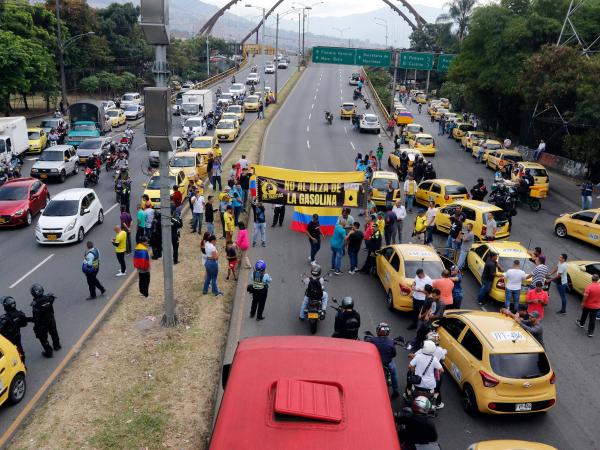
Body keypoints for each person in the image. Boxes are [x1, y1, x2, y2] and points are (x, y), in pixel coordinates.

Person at [367, 323, 400, 399]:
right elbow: (394, 354)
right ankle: (395, 391)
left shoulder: (372, 340)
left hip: (376, 362)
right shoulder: (391, 342)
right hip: (388, 362)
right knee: (394, 374)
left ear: (378, 331)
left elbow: (367, 343)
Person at [29, 284, 61, 357]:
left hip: (42, 324)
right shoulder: (49, 298)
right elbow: (52, 300)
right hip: (51, 319)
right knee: (54, 333)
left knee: (43, 338)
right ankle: (57, 346)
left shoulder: (35, 304)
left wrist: (32, 323)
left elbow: (36, 317)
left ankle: (49, 352)